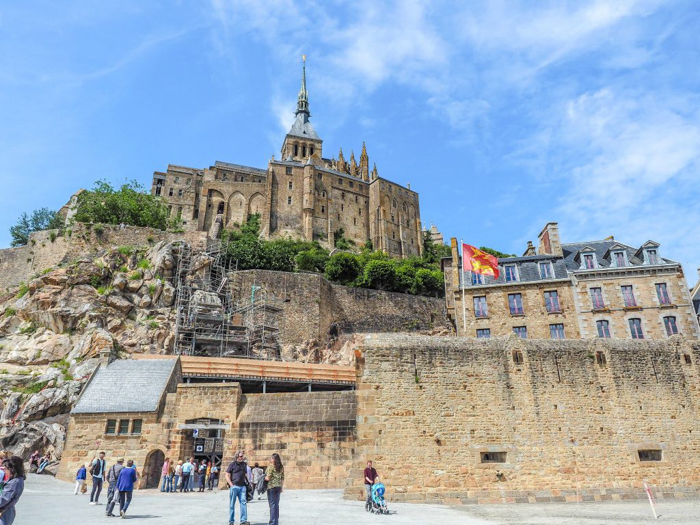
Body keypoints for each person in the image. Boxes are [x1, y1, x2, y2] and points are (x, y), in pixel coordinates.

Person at [0, 455, 26, 525]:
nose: (4, 471)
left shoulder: (14, 482)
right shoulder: (17, 479)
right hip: (8, 510)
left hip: (4, 512)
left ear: (12, 469)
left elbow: (3, 500)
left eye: (5, 469)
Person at [226, 451, 250, 525]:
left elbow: (246, 475)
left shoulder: (244, 464)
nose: (242, 457)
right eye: (240, 456)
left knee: (243, 503)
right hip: (234, 486)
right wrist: (231, 485)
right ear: (237, 457)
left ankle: (243, 520)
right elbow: (227, 475)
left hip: (242, 487)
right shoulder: (232, 465)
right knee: (232, 504)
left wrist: (249, 483)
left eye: (242, 456)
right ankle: (231, 521)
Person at [265, 453, 284, 525]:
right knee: (276, 505)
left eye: (271, 458)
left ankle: (272, 522)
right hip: (278, 487)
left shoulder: (271, 467)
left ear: (274, 459)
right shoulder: (281, 467)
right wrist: (281, 487)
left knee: (272, 505)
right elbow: (282, 478)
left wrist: (264, 477)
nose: (271, 459)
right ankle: (276, 522)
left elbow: (268, 478)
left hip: (271, 487)